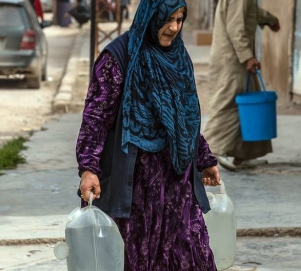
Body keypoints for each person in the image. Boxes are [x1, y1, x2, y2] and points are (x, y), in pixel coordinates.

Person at [75, 0, 221, 270]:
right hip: (136, 186)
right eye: (168, 19)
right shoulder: (118, 57)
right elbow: (96, 118)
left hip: (177, 181)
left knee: (188, 250)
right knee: (138, 257)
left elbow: (185, 116)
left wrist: (203, 156)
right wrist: (89, 168)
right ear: (152, 16)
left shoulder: (178, 57)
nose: (174, 27)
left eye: (180, 19)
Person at [202, 0, 280, 171]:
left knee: (246, 105)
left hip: (235, 58)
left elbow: (250, 11)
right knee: (228, 102)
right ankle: (212, 148)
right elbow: (235, 27)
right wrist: (247, 56)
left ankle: (243, 154)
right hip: (233, 59)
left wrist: (269, 19)